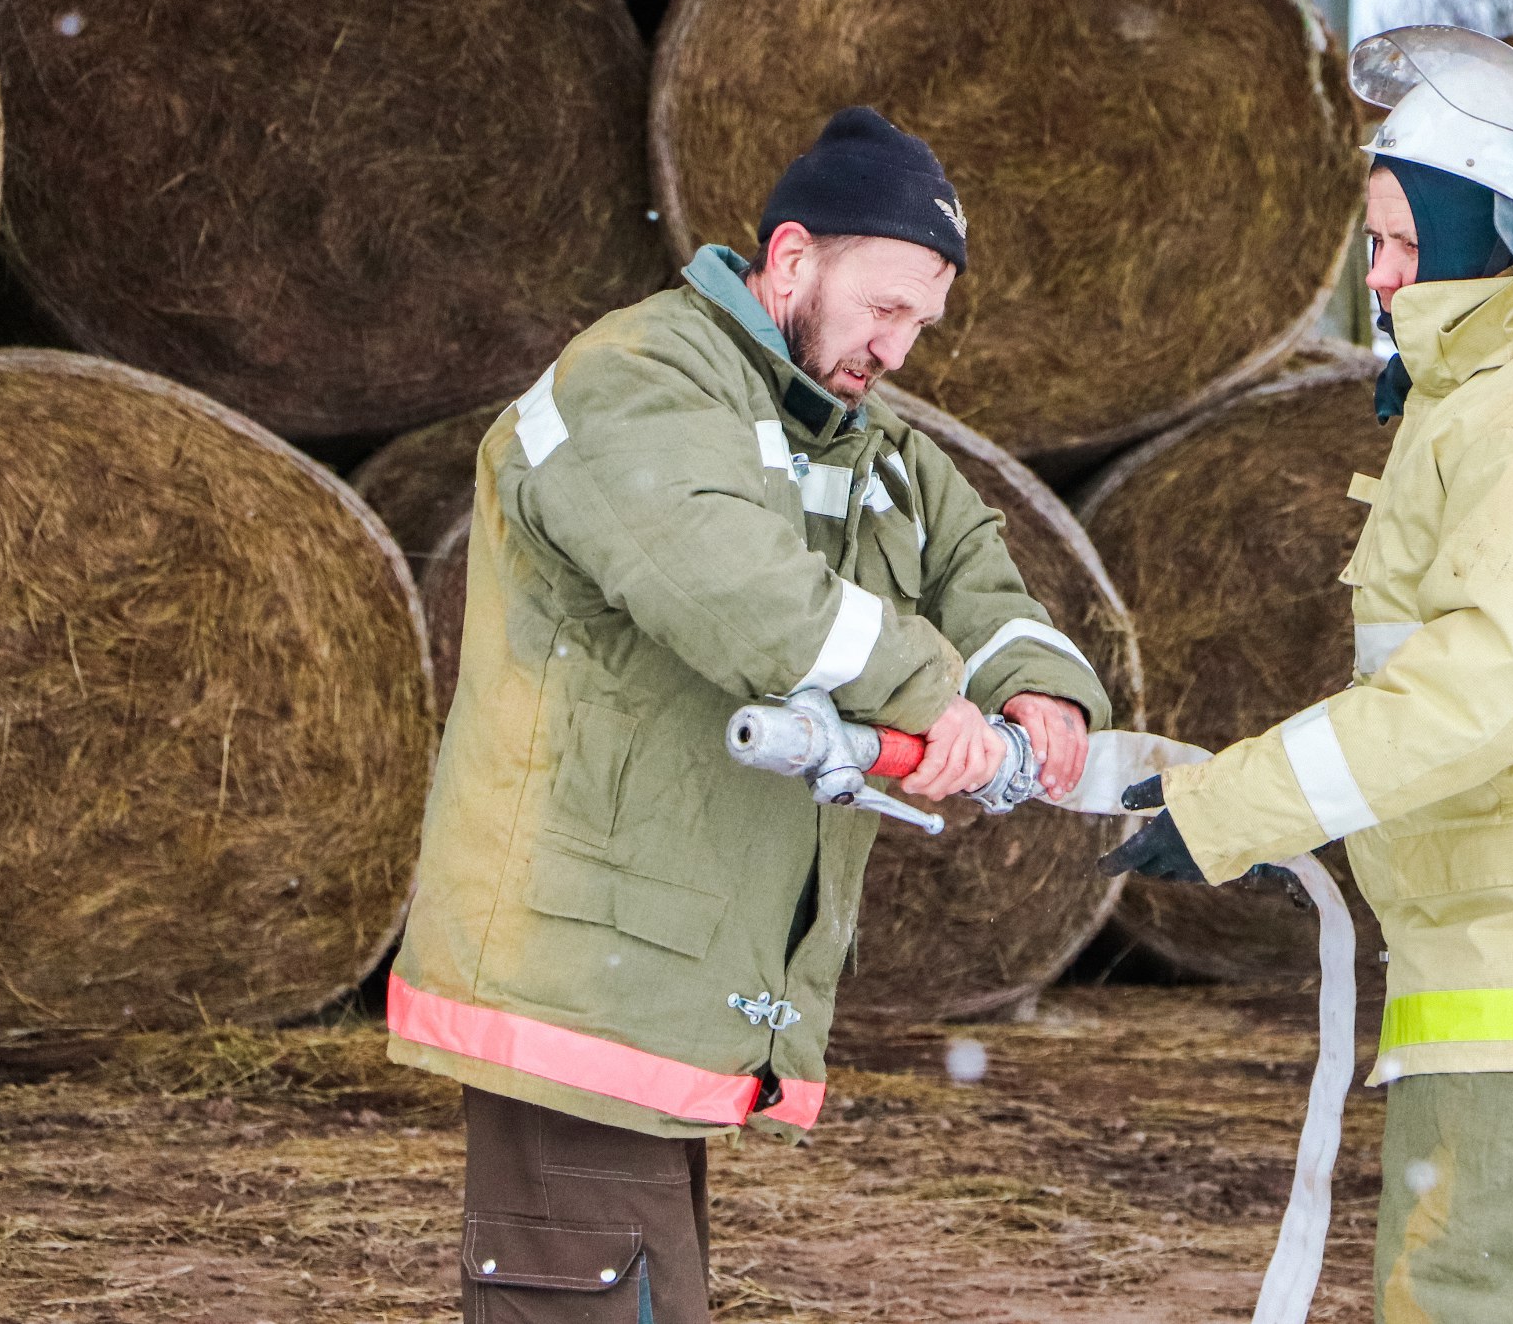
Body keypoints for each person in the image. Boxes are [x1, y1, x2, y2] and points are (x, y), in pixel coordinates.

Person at [386, 106, 1110, 1322]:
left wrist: (1033, 687)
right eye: (883, 307)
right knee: (594, 1301)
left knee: (640, 1295)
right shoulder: (636, 378)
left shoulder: (865, 442)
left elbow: (972, 563)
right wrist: (932, 693)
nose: (900, 347)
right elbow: (736, 587)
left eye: (921, 324)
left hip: (663, 981)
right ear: (789, 258)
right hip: (576, 967)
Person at [1105, 27, 1513, 1324]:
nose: (1381, 277)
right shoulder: (1506, 399)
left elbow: (1473, 693)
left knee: (1473, 1300)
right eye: (1378, 244)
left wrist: (1232, 813)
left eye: (1408, 247)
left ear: (1493, 248)